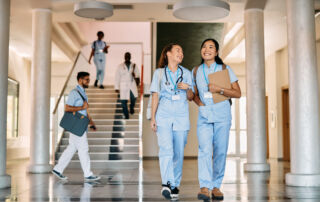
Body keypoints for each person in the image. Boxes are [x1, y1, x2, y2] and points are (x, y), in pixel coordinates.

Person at [192, 39, 241, 201]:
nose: (207, 49)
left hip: (222, 115)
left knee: (220, 151)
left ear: (217, 52)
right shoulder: (196, 71)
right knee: (204, 150)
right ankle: (205, 186)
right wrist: (201, 104)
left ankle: (216, 186)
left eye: (211, 47)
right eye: (204, 46)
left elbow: (237, 93)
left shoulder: (224, 69)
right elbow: (195, 94)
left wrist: (219, 89)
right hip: (205, 116)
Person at [150, 43, 194, 200]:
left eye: (182, 51)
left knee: (178, 152)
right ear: (168, 53)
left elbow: (191, 97)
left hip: (181, 117)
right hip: (163, 115)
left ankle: (174, 184)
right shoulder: (159, 73)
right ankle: (167, 184)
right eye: (177, 50)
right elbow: (155, 96)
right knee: (166, 149)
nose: (181, 53)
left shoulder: (187, 73)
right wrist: (153, 118)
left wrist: (188, 88)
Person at [52, 72, 101, 182]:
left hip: (81, 125)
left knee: (72, 148)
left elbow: (85, 110)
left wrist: (91, 123)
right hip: (77, 126)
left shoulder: (83, 92)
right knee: (83, 149)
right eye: (86, 80)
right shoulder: (74, 93)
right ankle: (88, 174)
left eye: (89, 79)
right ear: (80, 80)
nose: (88, 81)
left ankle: (58, 169)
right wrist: (81, 107)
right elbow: (67, 108)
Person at [115, 52, 140, 119]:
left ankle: (131, 107)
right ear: (124, 57)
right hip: (123, 85)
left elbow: (138, 76)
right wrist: (116, 87)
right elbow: (117, 77)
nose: (127, 57)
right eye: (126, 56)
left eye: (129, 56)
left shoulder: (134, 65)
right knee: (123, 101)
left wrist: (135, 75)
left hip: (132, 84)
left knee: (133, 98)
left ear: (130, 57)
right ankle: (126, 114)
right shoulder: (120, 66)